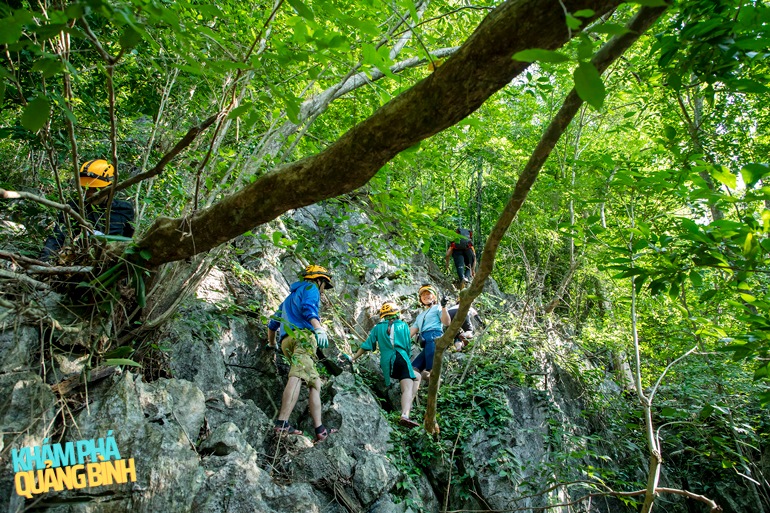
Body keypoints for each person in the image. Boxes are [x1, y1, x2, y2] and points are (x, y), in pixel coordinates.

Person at [267, 264, 337, 442]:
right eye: (324, 285)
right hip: (303, 337)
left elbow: (273, 323)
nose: (323, 291)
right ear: (319, 280)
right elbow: (308, 309)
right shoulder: (311, 288)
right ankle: (282, 422)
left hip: (286, 342)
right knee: (297, 375)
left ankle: (319, 429)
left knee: (314, 382)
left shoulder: (289, 299)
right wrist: (318, 328)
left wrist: (271, 343)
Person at [41, 159, 135, 261]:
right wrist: (44, 260)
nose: (90, 194)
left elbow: (128, 240)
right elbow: (57, 237)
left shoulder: (124, 209)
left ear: (110, 187)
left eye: (96, 189)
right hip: (82, 261)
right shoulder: (74, 208)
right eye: (86, 188)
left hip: (113, 262)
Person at [351, 301, 421, 428]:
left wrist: (353, 358)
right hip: (401, 358)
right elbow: (407, 346)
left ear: (383, 315)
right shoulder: (403, 326)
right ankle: (405, 414)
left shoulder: (377, 328)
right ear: (397, 313)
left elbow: (367, 345)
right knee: (407, 387)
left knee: (416, 377)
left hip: (387, 364)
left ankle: (406, 408)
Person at [410, 284, 450, 382]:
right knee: (413, 369)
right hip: (425, 341)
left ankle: (433, 378)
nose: (425, 296)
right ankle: (420, 382)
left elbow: (447, 322)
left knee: (431, 369)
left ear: (434, 296)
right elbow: (410, 333)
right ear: (420, 299)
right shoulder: (420, 316)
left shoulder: (438, 308)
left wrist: (444, 307)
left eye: (428, 293)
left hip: (434, 336)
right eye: (423, 295)